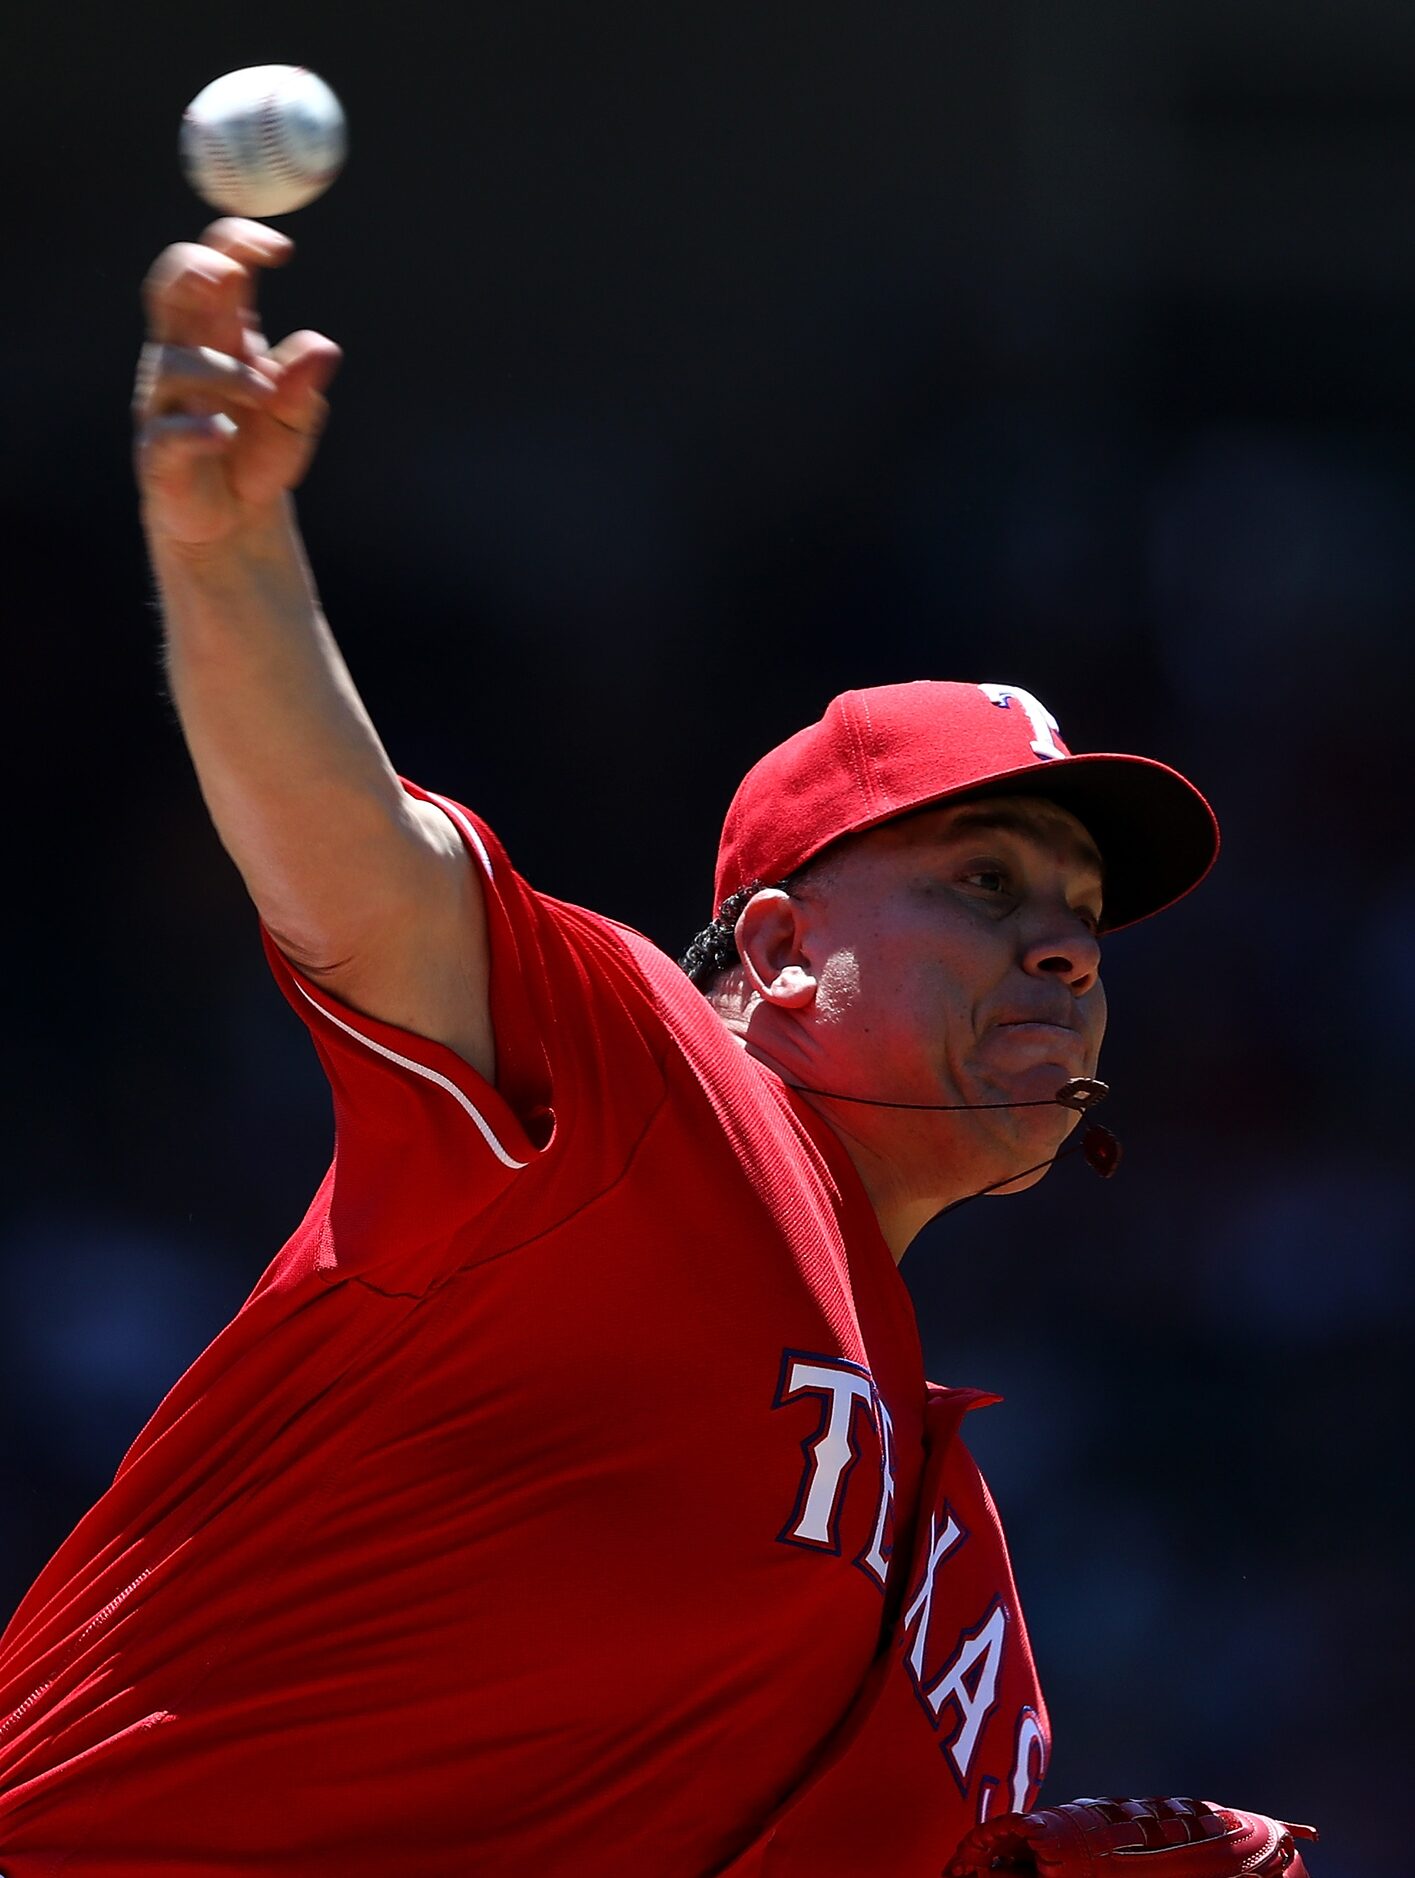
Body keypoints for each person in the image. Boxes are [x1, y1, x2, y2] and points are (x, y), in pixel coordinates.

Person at [0, 222, 1314, 1878]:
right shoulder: (648, 1090)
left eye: (1081, 911)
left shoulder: (968, 1587)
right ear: (771, 951)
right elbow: (355, 872)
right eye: (982, 881)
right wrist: (227, 552)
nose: (1062, 940)